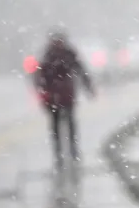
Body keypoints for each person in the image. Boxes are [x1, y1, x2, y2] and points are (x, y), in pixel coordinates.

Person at [34, 30, 95, 170]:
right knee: (67, 123)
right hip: (62, 94)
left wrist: (42, 90)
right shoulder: (63, 53)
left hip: (58, 95)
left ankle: (62, 153)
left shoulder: (50, 54)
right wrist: (88, 86)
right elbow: (80, 69)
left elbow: (40, 76)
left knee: (58, 124)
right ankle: (68, 151)